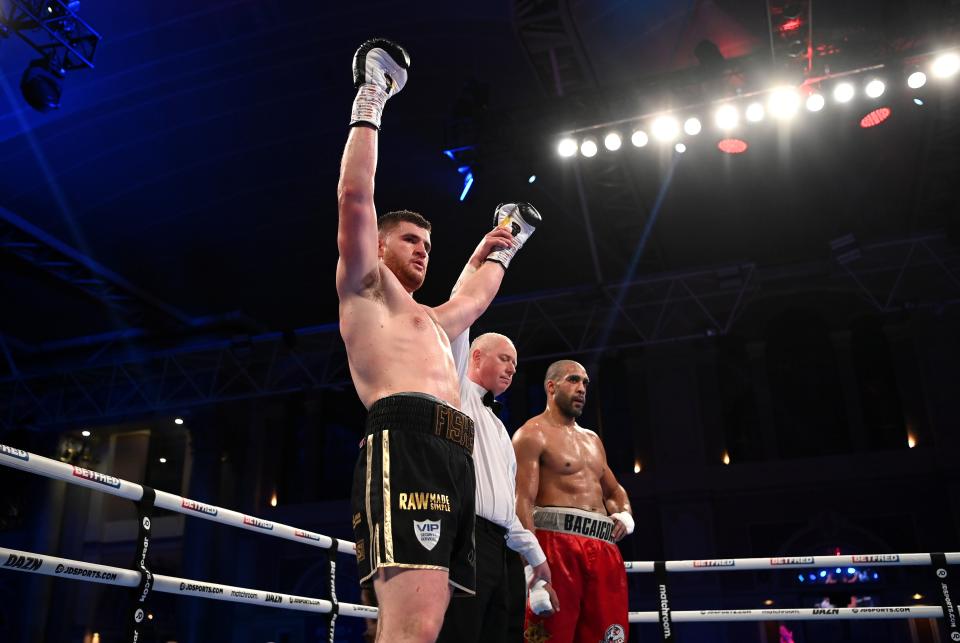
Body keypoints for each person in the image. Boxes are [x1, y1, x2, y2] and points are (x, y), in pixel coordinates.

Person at [337, 39, 540, 643]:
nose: (422, 250)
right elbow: (355, 197)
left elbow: (474, 299)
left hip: (455, 454)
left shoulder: (432, 320)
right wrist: (372, 98)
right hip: (407, 441)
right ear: (377, 245)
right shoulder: (364, 288)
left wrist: (501, 245)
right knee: (414, 626)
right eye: (409, 241)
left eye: (428, 244)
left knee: (439, 625)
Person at [436, 331, 559, 643]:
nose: (511, 369)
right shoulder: (456, 392)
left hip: (499, 548)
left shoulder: (501, 430)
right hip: (466, 538)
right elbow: (458, 330)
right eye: (505, 358)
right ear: (476, 357)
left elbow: (505, 507)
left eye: (515, 365)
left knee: (499, 634)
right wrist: (476, 284)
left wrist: (535, 554)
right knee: (462, 632)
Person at [513, 360, 634, 643]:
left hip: (603, 548)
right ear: (551, 387)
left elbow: (615, 492)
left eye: (585, 383)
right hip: (556, 547)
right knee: (551, 637)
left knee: (609, 637)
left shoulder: (593, 440)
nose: (581, 389)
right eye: (573, 380)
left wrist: (625, 515)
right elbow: (522, 504)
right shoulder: (531, 435)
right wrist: (534, 571)